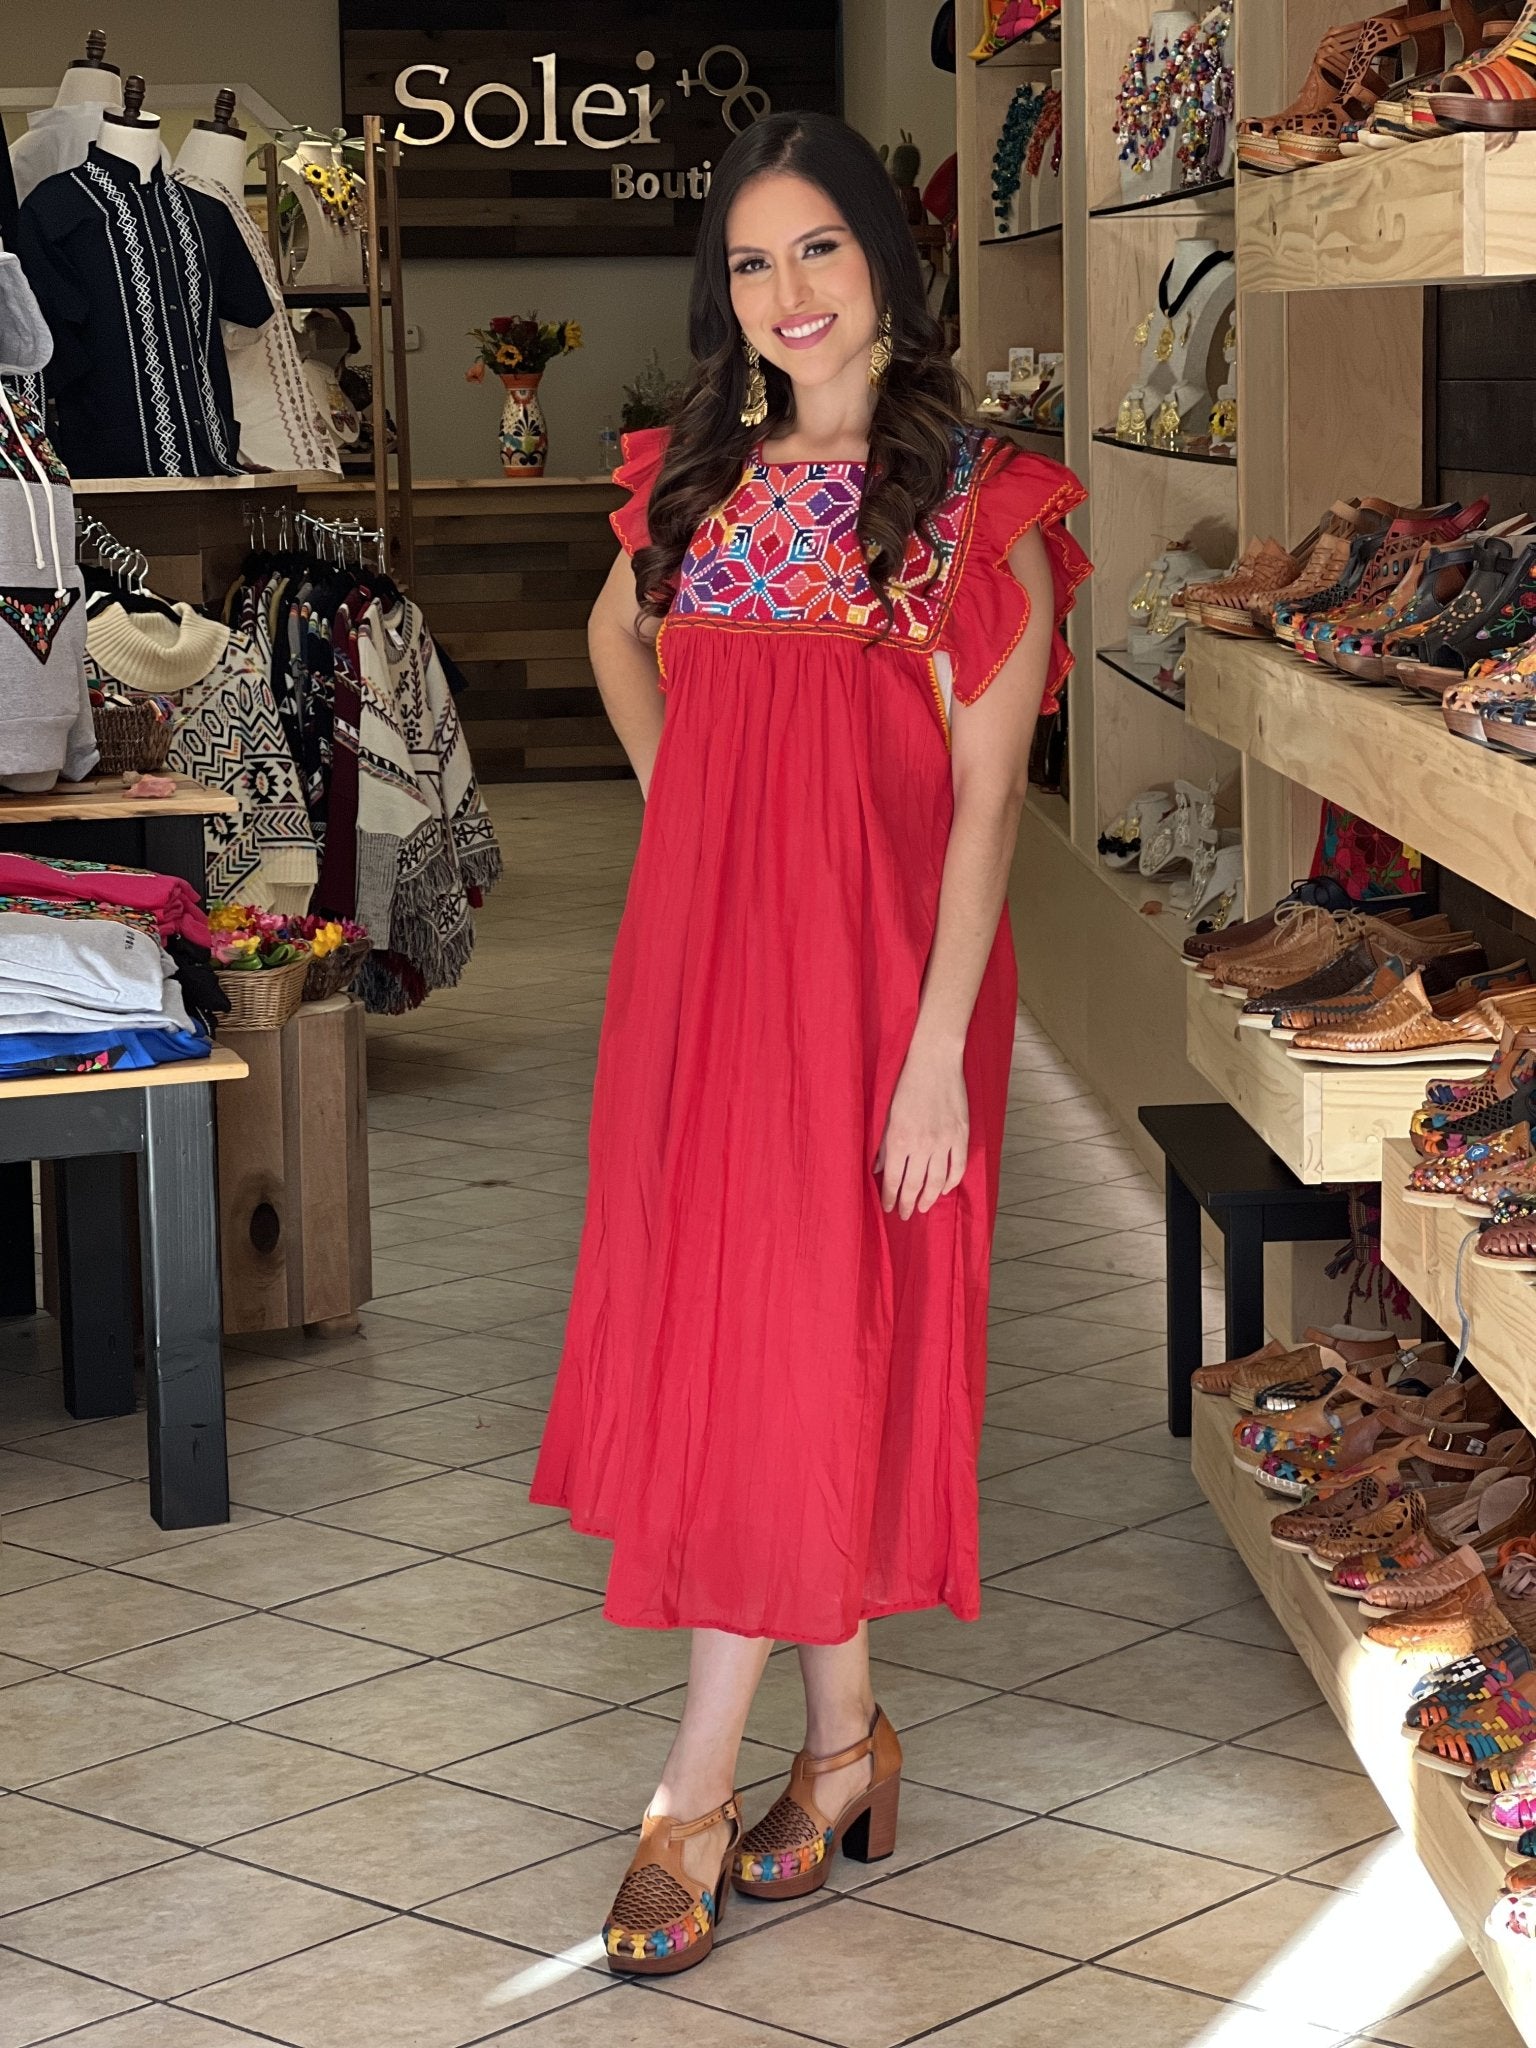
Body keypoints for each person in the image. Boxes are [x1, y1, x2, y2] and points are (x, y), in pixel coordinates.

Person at [529, 108, 1089, 1976]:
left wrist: (935, 1055)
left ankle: (691, 1785)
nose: (787, 296)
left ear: (884, 263)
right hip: (704, 963)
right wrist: (689, 794)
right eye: (752, 263)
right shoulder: (698, 478)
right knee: (757, 1325)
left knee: (793, 1328)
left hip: (881, 986)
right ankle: (842, 1748)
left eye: (820, 252)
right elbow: (619, 632)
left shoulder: (970, 497)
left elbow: (993, 805)